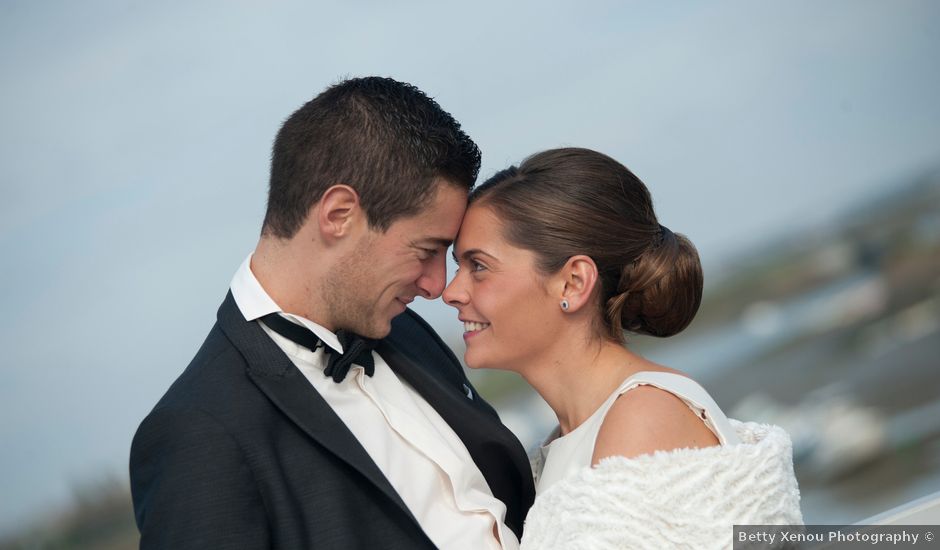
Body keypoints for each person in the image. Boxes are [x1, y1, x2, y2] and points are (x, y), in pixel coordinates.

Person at [129, 77, 534, 549]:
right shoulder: (198, 433)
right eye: (426, 249)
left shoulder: (407, 332)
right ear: (338, 214)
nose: (436, 285)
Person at [444, 148, 802, 549]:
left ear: (573, 283)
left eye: (478, 266)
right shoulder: (575, 434)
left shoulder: (643, 417)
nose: (451, 292)